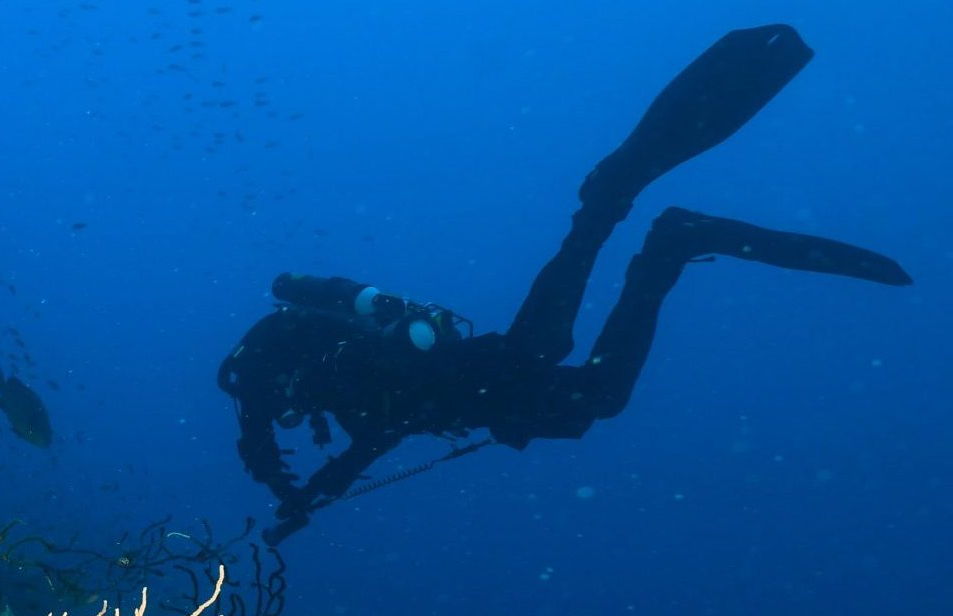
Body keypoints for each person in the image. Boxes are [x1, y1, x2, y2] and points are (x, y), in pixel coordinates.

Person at [218, 24, 912, 544]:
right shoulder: (329, 376)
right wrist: (317, 489)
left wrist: (293, 491)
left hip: (486, 377)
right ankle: (628, 214)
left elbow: (273, 441)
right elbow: (386, 424)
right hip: (483, 371)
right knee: (566, 343)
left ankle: (663, 237)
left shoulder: (282, 374)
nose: (279, 414)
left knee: (594, 393)